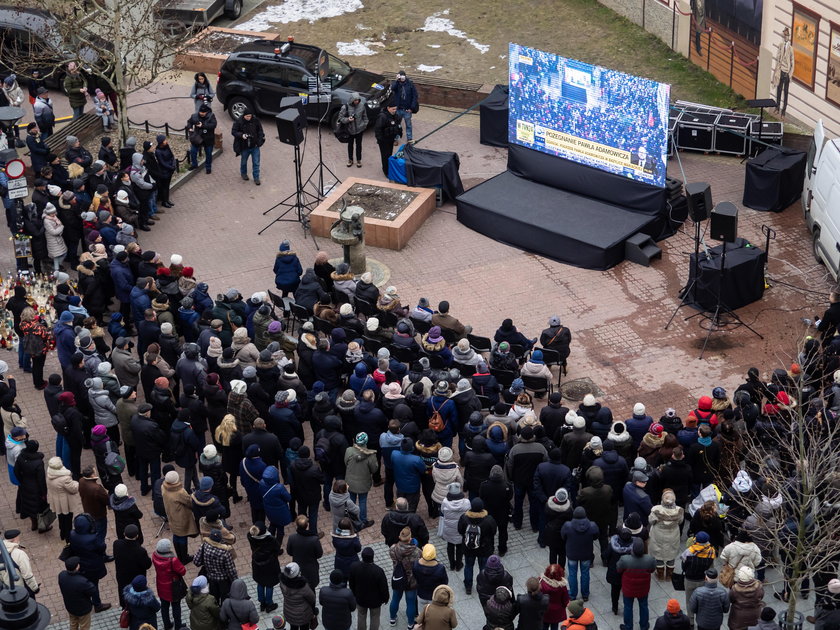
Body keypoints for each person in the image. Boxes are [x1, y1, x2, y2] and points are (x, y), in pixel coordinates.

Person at [68, 514, 111, 612]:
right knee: (94, 585)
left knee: (83, 582)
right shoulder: (92, 538)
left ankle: (86, 601)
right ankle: (97, 605)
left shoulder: (72, 534)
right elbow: (101, 548)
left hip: (80, 564)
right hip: (92, 566)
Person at [458, 497, 497, 595]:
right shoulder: (488, 519)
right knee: (483, 568)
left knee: (468, 566)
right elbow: (494, 532)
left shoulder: (464, 518)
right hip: (484, 549)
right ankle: (482, 585)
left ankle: (468, 586)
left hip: (468, 548)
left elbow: (460, 530)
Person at [617, 538, 656, 630]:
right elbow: (652, 570)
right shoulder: (649, 559)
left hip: (628, 588)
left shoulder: (625, 559)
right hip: (643, 588)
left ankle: (628, 626)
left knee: (628, 607)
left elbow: (618, 570)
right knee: (643, 606)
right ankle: (644, 626)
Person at [162, 469, 199, 564]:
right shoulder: (180, 492)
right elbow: (190, 502)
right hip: (181, 518)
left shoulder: (163, 487)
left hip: (171, 515)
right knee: (182, 536)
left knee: (176, 535)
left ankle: (180, 557)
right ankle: (184, 559)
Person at [560, 507, 598, 601]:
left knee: (572, 574)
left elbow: (563, 536)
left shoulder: (567, 526)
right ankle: (585, 594)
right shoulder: (592, 525)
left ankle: (572, 594)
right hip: (586, 554)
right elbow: (596, 536)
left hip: (572, 554)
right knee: (585, 573)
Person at [349, 546, 390, 630]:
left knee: (361, 616)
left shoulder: (354, 567)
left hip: (360, 598)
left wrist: (354, 594)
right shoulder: (378, 571)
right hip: (375, 601)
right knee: (375, 618)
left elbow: (351, 583)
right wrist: (385, 598)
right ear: (373, 557)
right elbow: (383, 588)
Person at [194, 529, 238, 602]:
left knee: (214, 599)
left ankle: (216, 612)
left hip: (211, 578)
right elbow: (231, 570)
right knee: (225, 600)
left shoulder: (204, 546)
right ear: (220, 539)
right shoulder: (225, 552)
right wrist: (235, 582)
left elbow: (196, 561)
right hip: (224, 581)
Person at [114, 524, 151, 608]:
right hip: (135, 579)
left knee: (124, 596)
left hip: (122, 577)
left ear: (124, 534)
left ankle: (125, 608)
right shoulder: (140, 551)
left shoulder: (116, 544)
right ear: (137, 536)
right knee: (137, 600)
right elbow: (147, 564)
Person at [389, 526, 421, 626]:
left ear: (400, 537)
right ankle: (410, 624)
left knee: (395, 599)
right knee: (411, 602)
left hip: (398, 577)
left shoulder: (393, 549)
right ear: (410, 538)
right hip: (411, 581)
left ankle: (392, 619)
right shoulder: (417, 551)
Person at [153, 538, 187, 630]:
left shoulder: (154, 556)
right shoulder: (173, 560)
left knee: (164, 606)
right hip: (173, 588)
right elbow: (183, 571)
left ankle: (167, 625)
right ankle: (178, 626)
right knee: (176, 607)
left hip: (161, 585)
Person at [249, 521, 282, 613]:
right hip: (270, 565)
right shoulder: (271, 540)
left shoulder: (251, 537)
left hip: (257, 564)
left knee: (260, 583)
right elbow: (277, 549)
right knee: (269, 584)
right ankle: (269, 604)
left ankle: (262, 603)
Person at [59, 556, 98, 630]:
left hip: (70, 607)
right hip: (83, 609)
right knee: (84, 626)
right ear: (77, 567)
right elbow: (93, 590)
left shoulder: (62, 575)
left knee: (73, 623)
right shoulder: (82, 581)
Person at [287, 514, 324, 590]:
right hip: (311, 569)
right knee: (311, 590)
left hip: (297, 569)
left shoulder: (292, 538)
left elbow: (289, 552)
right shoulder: (314, 539)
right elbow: (319, 554)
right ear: (307, 525)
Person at [1, 529, 40, 594]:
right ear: (15, 539)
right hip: (22, 590)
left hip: (7, 590)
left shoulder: (1, 551)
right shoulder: (19, 554)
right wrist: (35, 588)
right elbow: (27, 575)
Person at [232, 109, 264, 185]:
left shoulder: (256, 120)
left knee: (256, 163)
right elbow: (233, 131)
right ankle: (243, 173)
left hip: (255, 146)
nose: (248, 117)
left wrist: (259, 142)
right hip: (244, 146)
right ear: (244, 115)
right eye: (247, 116)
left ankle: (256, 178)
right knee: (243, 162)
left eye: (250, 116)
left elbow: (260, 131)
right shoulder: (239, 121)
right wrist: (242, 135)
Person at [414, 544, 449, 609]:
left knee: (422, 614)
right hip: (434, 596)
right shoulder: (440, 568)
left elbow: (414, 578)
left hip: (421, 594)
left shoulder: (416, 565)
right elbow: (445, 582)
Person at [339, 92, 368, 167]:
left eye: (358, 100)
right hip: (350, 130)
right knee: (350, 145)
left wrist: (364, 125)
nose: (357, 101)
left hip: (359, 129)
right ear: (352, 100)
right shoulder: (345, 107)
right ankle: (350, 160)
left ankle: (359, 160)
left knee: (359, 145)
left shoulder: (362, 106)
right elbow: (341, 118)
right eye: (355, 100)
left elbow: (365, 117)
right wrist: (348, 119)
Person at [187, 104, 217, 174]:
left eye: (203, 112)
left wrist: (202, 126)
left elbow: (213, 125)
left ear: (206, 112)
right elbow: (189, 122)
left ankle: (208, 167)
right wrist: (190, 128)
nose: (201, 113)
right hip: (197, 137)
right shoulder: (194, 116)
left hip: (208, 138)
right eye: (200, 112)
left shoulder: (211, 116)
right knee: (193, 151)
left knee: (208, 154)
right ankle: (194, 164)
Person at [374, 101, 402, 177]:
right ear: (388, 108)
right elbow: (378, 129)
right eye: (393, 109)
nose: (395, 110)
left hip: (391, 139)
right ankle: (386, 171)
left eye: (395, 109)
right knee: (385, 156)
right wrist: (380, 139)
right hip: (383, 140)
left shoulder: (395, 115)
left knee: (389, 154)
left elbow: (397, 125)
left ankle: (388, 168)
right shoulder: (382, 116)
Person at [540, 564, 570, 630]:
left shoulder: (541, 583)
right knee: (554, 626)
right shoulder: (562, 587)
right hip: (556, 612)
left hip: (544, 610)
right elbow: (565, 601)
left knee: (544, 626)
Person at [772, 27, 794, 117]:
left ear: (789, 36)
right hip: (781, 70)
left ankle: (783, 111)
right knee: (779, 90)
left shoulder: (791, 48)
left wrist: (790, 74)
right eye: (784, 35)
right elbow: (778, 57)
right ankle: (777, 107)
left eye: (787, 35)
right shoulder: (781, 45)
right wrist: (778, 67)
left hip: (787, 72)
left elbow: (792, 62)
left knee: (785, 92)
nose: (785, 37)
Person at [393, 70, 419, 141]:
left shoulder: (410, 84)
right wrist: (396, 80)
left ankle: (409, 139)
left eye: (402, 77)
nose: (402, 79)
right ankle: (396, 138)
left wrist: (412, 108)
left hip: (407, 109)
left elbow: (415, 96)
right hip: (398, 109)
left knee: (408, 125)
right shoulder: (397, 83)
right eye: (400, 77)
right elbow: (392, 88)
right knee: (397, 124)